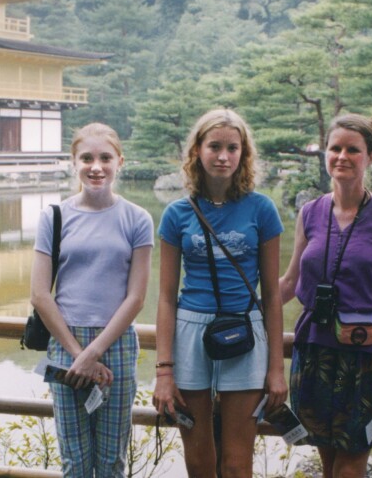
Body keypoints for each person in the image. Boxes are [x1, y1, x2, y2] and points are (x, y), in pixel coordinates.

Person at [152, 108, 287, 478]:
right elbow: (165, 297)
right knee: (198, 461)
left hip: (245, 329)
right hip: (190, 330)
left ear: (244, 153)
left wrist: (276, 368)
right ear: (197, 150)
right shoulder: (176, 214)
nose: (223, 156)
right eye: (214, 146)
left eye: (232, 147)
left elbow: (272, 296)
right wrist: (164, 370)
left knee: (236, 462)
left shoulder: (262, 209)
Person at [278, 113, 372, 478]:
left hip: (366, 358)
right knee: (327, 466)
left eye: (353, 150)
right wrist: (248, 311)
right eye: (335, 148)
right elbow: (291, 281)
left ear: (369, 157)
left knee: (350, 468)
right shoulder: (310, 212)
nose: (342, 156)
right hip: (315, 353)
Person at [30, 123, 154, 477]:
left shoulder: (137, 219)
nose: (96, 166)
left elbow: (136, 296)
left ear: (120, 162)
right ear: (74, 162)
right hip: (65, 343)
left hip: (115, 343)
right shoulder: (54, 217)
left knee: (112, 457)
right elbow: (40, 294)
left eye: (105, 158)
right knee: (75, 459)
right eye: (87, 158)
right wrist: (77, 354)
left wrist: (94, 352)